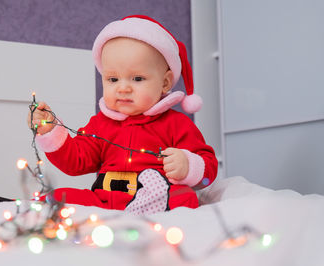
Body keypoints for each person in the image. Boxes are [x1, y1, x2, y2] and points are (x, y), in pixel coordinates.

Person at [28, 15, 218, 215]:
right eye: (113, 79)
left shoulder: (177, 123)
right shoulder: (101, 124)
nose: (123, 88)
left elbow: (208, 172)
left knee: (184, 197)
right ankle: (35, 211)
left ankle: (147, 207)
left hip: (156, 196)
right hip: (104, 199)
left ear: (165, 83)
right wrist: (50, 131)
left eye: (137, 78)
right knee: (56, 197)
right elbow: (76, 161)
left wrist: (187, 165)